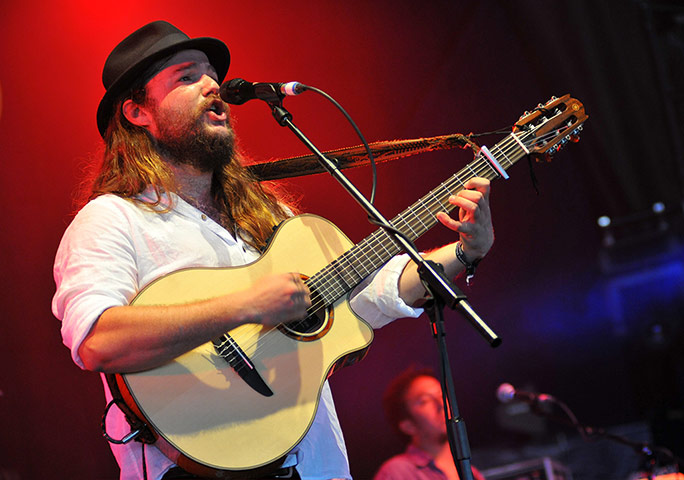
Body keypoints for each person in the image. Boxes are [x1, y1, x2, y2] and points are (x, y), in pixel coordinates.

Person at [52, 21, 495, 480]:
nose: (211, 86)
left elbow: (373, 290)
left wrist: (465, 253)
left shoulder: (270, 215)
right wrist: (245, 305)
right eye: (187, 77)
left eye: (212, 76)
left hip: (315, 464)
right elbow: (97, 341)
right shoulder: (111, 220)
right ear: (137, 112)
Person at [374, 369, 486, 480]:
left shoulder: (471, 471)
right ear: (408, 426)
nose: (441, 404)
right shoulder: (397, 472)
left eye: (442, 395)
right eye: (425, 401)